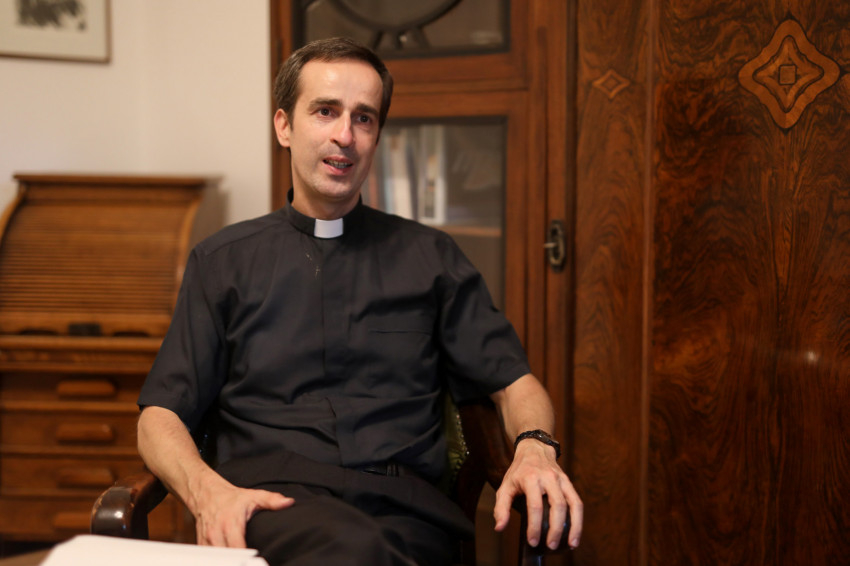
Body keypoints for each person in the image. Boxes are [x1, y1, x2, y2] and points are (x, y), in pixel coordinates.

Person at [136, 37, 583, 566]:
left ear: (376, 137)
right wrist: (206, 491)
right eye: (325, 111)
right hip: (274, 505)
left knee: (371, 549)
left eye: (364, 118)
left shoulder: (432, 258)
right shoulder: (221, 262)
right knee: (355, 550)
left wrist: (535, 447)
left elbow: (514, 382)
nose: (345, 136)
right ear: (284, 126)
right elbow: (160, 415)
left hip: (406, 513)